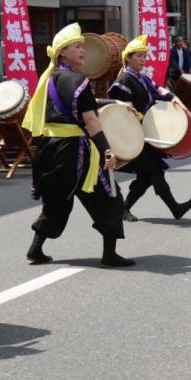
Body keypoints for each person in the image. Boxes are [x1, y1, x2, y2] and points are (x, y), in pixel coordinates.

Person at [22, 23, 134, 267]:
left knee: (57, 200)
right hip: (75, 152)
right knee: (109, 195)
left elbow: (88, 104)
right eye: (77, 46)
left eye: (83, 46)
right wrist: (106, 151)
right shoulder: (78, 80)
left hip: (50, 149)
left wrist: (114, 101)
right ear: (63, 51)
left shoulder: (52, 79)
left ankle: (35, 248)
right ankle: (110, 255)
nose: (83, 50)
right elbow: (91, 119)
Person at [107, 34, 191, 222]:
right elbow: (123, 114)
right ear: (128, 57)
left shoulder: (142, 78)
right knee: (154, 171)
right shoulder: (123, 80)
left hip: (144, 135)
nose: (143, 59)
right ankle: (175, 208)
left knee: (147, 176)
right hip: (131, 136)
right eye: (139, 56)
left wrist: (175, 100)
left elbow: (160, 91)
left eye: (144, 56)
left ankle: (124, 209)